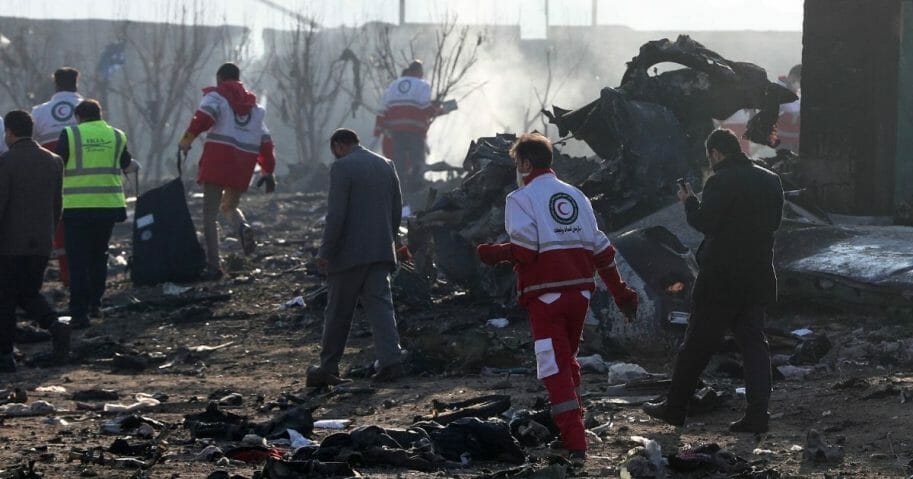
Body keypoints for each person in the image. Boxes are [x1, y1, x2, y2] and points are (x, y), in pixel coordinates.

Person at [476, 133, 639, 462]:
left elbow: (524, 249)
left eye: (516, 164)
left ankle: (575, 442)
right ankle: (572, 427)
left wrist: (491, 253)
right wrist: (622, 293)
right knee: (567, 363)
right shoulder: (576, 196)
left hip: (546, 298)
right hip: (580, 294)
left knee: (553, 367)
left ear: (525, 163)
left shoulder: (520, 199)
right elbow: (603, 252)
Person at [643, 128, 784, 433]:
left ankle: (675, 408)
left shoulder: (720, 180)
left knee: (696, 345)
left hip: (720, 280)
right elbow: (774, 223)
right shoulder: (771, 179)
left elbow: (704, 223)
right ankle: (758, 415)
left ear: (716, 153)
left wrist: (689, 201)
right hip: (757, 277)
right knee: (754, 346)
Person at [307, 128, 405, 387]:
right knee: (381, 308)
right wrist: (389, 241)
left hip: (349, 254)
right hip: (380, 251)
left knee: (338, 312)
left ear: (339, 146)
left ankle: (328, 368)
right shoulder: (386, 164)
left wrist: (326, 251)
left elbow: (336, 214)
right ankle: (391, 361)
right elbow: (396, 209)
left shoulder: (342, 168)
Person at [178, 62, 276, 279]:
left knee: (209, 215)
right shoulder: (256, 110)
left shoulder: (216, 97)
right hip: (242, 168)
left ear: (220, 78)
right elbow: (266, 143)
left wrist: (186, 141)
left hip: (217, 163)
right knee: (229, 206)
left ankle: (214, 265)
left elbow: (202, 119)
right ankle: (242, 227)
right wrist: (268, 171)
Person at [56, 100, 139, 329]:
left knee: (77, 260)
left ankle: (79, 313)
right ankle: (95, 304)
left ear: (79, 117)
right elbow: (126, 163)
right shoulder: (116, 135)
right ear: (99, 115)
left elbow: (58, 164)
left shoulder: (71, 134)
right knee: (98, 255)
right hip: (107, 206)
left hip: (76, 207)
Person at [0, 110, 71, 372]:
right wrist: (48, 234)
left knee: (5, 298)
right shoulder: (53, 161)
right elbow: (57, 205)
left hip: (9, 244)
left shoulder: (6, 162)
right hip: (40, 241)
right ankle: (55, 325)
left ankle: (5, 355)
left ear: (9, 132)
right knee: (28, 292)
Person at [32, 67, 84, 289]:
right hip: (84, 180)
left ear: (55, 84)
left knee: (58, 227)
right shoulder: (89, 109)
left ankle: (66, 276)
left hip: (51, 178)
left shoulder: (39, 112)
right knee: (83, 230)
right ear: (76, 83)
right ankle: (84, 278)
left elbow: (29, 142)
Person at [374, 60, 443, 192]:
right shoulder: (422, 85)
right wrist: (437, 111)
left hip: (396, 131)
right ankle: (416, 185)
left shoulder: (394, 85)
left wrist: (380, 130)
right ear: (418, 71)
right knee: (417, 158)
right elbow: (424, 106)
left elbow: (384, 108)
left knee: (398, 159)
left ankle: (399, 186)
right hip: (414, 130)